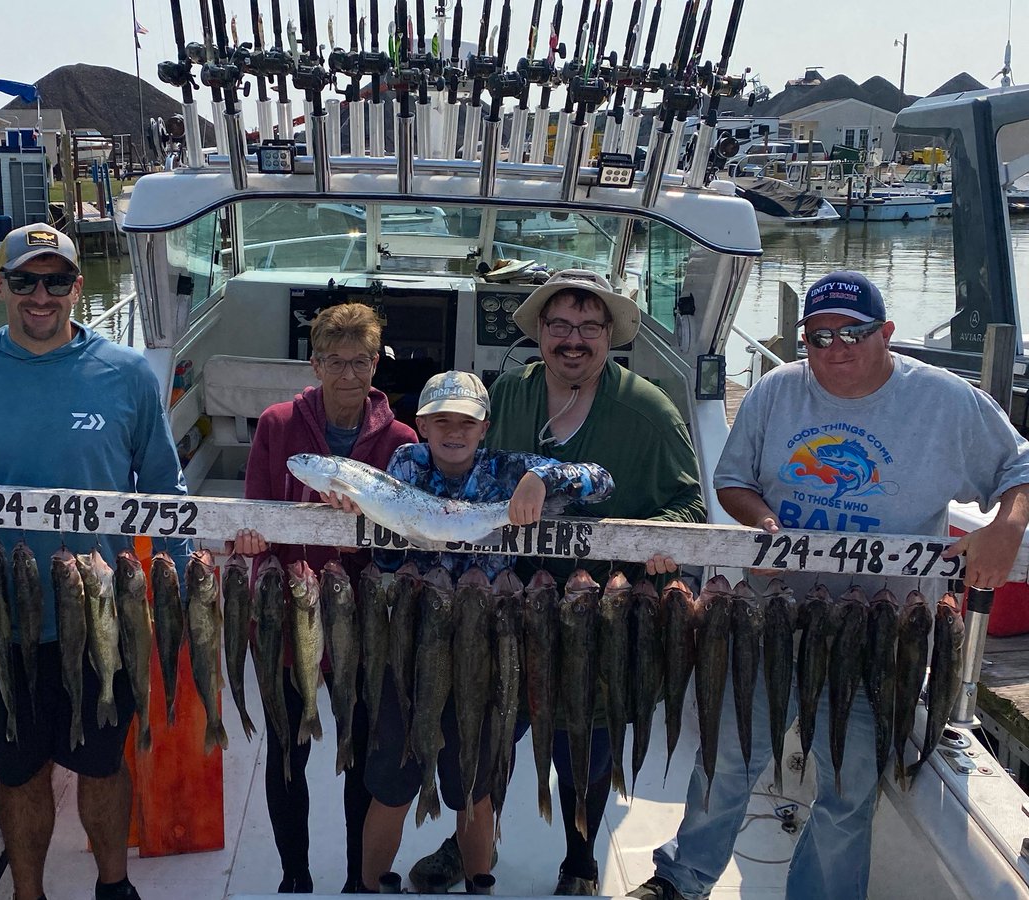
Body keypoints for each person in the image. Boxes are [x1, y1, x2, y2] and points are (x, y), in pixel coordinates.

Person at [631, 270, 1029, 900]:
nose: (836, 347)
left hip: (881, 632)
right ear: (803, 342)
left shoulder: (948, 401)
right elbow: (734, 480)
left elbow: (1021, 462)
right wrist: (764, 524)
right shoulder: (774, 392)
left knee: (849, 784)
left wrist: (1007, 526)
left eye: (854, 331)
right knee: (726, 757)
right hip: (770, 617)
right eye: (819, 336)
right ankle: (681, 880)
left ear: (888, 334)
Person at [0, 222, 187, 900]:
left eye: (56, 280)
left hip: (101, 619)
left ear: (76, 288)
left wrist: (194, 567)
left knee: (101, 762)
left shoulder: (126, 376)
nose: (40, 295)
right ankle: (28, 894)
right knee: (20, 771)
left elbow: (164, 491)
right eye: (25, 279)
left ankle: (112, 885)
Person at [410, 269, 705, 896]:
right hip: (504, 603)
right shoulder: (507, 396)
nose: (574, 340)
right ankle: (468, 846)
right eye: (561, 326)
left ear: (610, 337)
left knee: (592, 739)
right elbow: (455, 471)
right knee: (485, 727)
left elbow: (691, 512)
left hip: (605, 611)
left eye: (589, 328)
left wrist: (650, 546)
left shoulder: (650, 411)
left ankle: (579, 859)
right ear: (540, 332)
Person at [357, 370, 614, 894]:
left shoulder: (509, 469)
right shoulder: (403, 464)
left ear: (485, 428)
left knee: (474, 781)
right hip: (408, 636)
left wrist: (542, 480)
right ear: (422, 425)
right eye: (442, 421)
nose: (454, 432)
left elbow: (601, 480)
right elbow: (384, 553)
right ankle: (368, 885)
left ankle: (479, 885)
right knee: (392, 782)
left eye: (467, 423)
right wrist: (351, 500)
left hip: (488, 646)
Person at [231, 303, 417, 893]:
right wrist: (255, 540)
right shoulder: (276, 424)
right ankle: (295, 874)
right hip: (286, 617)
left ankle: (358, 881)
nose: (347, 376)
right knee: (288, 752)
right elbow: (256, 509)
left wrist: (364, 526)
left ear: (375, 365)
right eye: (335, 362)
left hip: (363, 624)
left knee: (360, 754)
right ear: (314, 365)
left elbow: (406, 539)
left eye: (360, 362)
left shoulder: (403, 441)